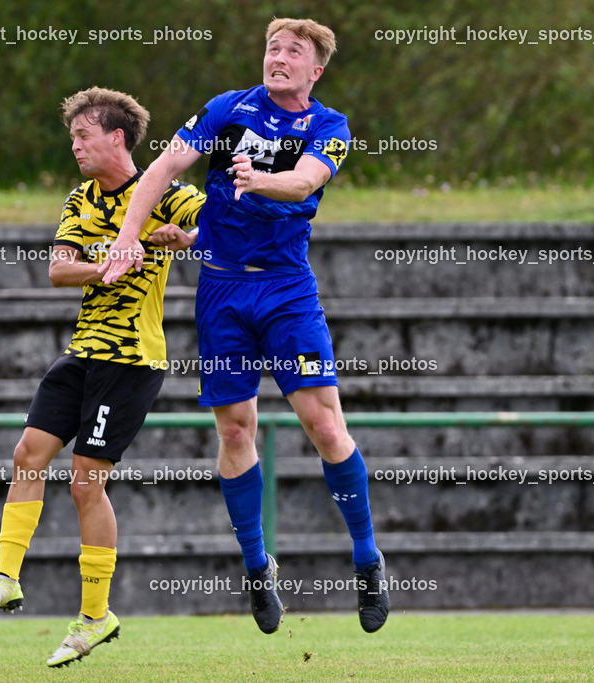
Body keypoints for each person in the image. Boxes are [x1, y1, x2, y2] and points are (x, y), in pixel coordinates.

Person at [99, 18, 389, 635]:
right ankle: (258, 568)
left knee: (324, 424)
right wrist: (134, 238)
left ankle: (367, 560)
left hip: (286, 289)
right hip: (222, 288)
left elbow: (304, 182)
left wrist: (260, 181)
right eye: (272, 48)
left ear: (316, 70)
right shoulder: (228, 109)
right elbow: (159, 172)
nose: (279, 58)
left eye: (295, 53)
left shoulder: (329, 128)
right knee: (236, 430)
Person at [0, 86, 204, 668]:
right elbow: (58, 270)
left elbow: (222, 225)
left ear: (116, 137)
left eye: (82, 136)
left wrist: (184, 237)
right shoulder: (81, 199)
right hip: (83, 352)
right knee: (28, 453)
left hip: (131, 360)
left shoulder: (165, 193)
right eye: (72, 138)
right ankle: (6, 578)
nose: (74, 147)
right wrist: (106, 268)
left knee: (85, 483)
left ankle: (96, 618)